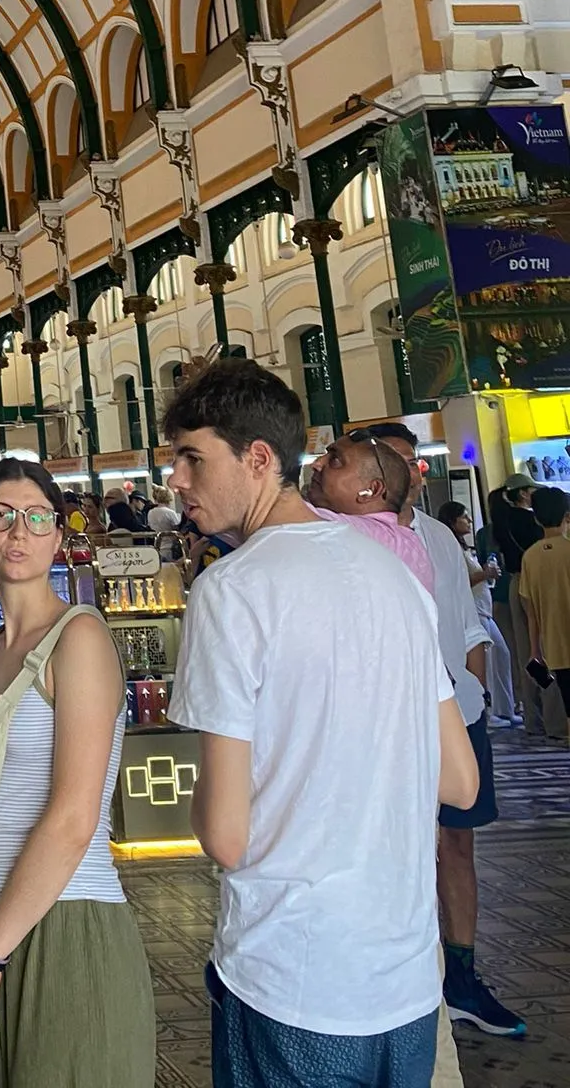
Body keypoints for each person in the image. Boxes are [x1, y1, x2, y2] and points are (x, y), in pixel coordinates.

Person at [165, 363, 476, 1085]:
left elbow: (225, 834)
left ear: (260, 460)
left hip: (292, 975)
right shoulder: (393, 576)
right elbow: (459, 782)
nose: (176, 479)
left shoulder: (232, 590)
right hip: (403, 981)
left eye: (192, 457)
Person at [0, 459, 153, 1086]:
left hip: (67, 923)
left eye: (37, 517)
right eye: (0, 516)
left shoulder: (80, 639)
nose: (18, 533)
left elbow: (74, 819)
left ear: (59, 534)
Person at [363, 423, 523, 1040]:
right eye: (394, 460)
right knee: (394, 848)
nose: (410, 472)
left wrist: (473, 693)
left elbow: (465, 626)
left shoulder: (437, 538)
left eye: (414, 461)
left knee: (458, 844)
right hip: (385, 724)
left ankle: (462, 975)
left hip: (454, 713)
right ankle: (404, 977)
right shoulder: (341, 540)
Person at [307, 436, 435, 591]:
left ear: (372, 490)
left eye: (335, 460)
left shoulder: (362, 533)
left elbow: (287, 510)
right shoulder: (410, 544)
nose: (316, 464)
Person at [437, 502, 514, 725]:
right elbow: (457, 582)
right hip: (473, 613)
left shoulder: (463, 548)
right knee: (488, 660)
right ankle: (486, 711)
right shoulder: (450, 549)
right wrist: (484, 574)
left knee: (500, 655)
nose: (469, 521)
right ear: (453, 521)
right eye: (464, 517)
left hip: (483, 609)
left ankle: (503, 708)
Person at [491, 477, 545, 735]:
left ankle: (532, 715)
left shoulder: (503, 520)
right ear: (523, 494)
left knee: (525, 650)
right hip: (533, 585)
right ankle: (550, 713)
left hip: (516, 584)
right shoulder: (529, 522)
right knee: (542, 649)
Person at [518, 484, 570, 723]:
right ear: (566, 516)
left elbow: (531, 611)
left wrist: (535, 650)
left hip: (556, 646)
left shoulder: (530, 556)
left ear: (536, 519)